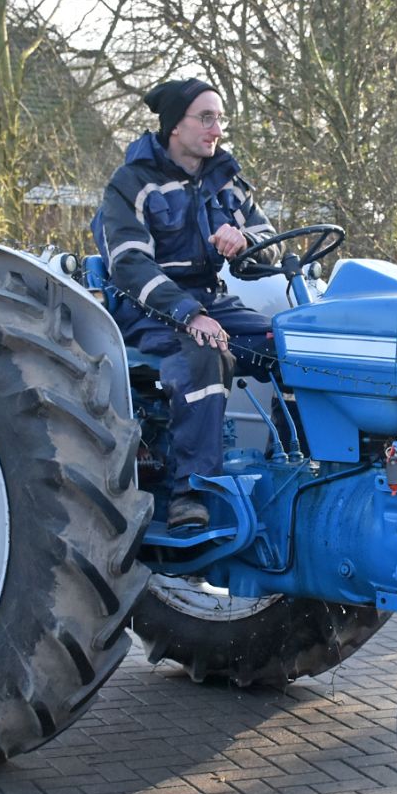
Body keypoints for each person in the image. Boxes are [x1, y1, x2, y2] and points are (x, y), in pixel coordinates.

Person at [92, 78, 283, 529]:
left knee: (288, 344)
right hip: (147, 307)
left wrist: (245, 240)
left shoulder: (225, 181)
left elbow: (272, 243)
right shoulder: (132, 183)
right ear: (175, 125)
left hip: (210, 299)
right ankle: (192, 492)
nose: (217, 129)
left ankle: (288, 467)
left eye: (220, 118)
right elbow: (129, 265)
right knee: (204, 354)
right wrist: (189, 314)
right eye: (206, 118)